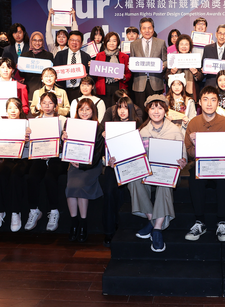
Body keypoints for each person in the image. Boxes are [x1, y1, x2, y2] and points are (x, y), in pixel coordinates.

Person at [128, 95, 187, 252]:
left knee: (164, 182)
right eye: (153, 107)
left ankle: (157, 229)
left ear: (165, 111)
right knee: (133, 180)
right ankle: (152, 220)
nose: (156, 111)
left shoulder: (174, 130)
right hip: (147, 173)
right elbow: (135, 157)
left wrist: (182, 161)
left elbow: (183, 156)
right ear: (147, 110)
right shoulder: (141, 132)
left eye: (160, 108)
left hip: (167, 173)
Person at [184, 86, 225, 242]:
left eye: (213, 100)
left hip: (220, 164)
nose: (209, 104)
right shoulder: (193, 123)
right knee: (194, 178)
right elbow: (188, 152)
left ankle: (221, 222)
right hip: (201, 166)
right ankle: (200, 222)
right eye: (205, 99)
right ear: (199, 102)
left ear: (218, 103)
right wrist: (196, 144)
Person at [24, 92, 69, 232]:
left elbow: (69, 143)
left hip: (57, 157)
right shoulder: (34, 121)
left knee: (50, 177)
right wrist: (27, 139)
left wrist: (65, 137)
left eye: (50, 103)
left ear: (55, 105)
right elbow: (29, 145)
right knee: (32, 177)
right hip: (39, 156)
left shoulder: (62, 120)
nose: (47, 106)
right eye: (44, 103)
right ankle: (34, 211)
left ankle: (54, 212)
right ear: (40, 105)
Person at [62, 98, 105, 243]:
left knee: (80, 186)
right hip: (74, 163)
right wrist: (64, 139)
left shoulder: (98, 128)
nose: (84, 112)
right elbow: (65, 149)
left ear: (93, 111)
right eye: (81, 109)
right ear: (77, 111)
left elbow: (98, 154)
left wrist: (82, 166)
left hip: (91, 165)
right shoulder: (71, 125)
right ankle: (75, 223)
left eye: (88, 109)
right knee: (71, 187)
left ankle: (84, 223)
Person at [101, 96, 138, 247]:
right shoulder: (109, 127)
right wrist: (106, 160)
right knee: (109, 193)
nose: (122, 111)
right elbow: (101, 153)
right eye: (119, 107)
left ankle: (123, 230)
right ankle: (109, 231)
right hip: (112, 166)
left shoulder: (138, 126)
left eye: (125, 107)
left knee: (123, 193)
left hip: (130, 166)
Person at [0, 98, 30, 232]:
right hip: (7, 158)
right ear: (6, 110)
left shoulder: (27, 124)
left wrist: (28, 140)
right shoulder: (3, 124)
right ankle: (1, 211)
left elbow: (33, 147)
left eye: (16, 107)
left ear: (20, 110)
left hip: (23, 158)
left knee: (14, 176)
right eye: (10, 108)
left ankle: (15, 213)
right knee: (1, 173)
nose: (13, 111)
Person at [129, 17, 167, 115]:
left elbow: (165, 60)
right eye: (144, 28)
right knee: (141, 112)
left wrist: (163, 65)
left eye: (149, 28)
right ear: (140, 30)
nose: (147, 31)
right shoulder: (134, 44)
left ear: (153, 29)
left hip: (156, 82)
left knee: (156, 111)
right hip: (139, 83)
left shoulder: (161, 43)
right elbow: (132, 61)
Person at [94, 32, 131, 109]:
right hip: (103, 89)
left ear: (117, 42)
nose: (111, 43)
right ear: (105, 42)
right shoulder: (99, 55)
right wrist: (92, 66)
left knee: (118, 110)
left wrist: (123, 77)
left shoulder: (124, 56)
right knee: (104, 110)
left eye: (114, 41)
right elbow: (95, 73)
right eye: (109, 41)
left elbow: (129, 74)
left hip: (119, 88)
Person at [53, 30, 92, 102]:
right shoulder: (60, 55)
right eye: (72, 40)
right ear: (68, 42)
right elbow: (54, 73)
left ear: (81, 43)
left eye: (77, 40)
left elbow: (90, 75)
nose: (74, 42)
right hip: (63, 91)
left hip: (80, 91)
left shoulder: (86, 57)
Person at [165, 34, 203, 102]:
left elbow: (201, 78)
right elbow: (165, 77)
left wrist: (196, 73)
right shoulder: (172, 58)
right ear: (178, 46)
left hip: (191, 92)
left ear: (190, 46)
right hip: (175, 93)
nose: (184, 46)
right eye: (181, 44)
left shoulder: (195, 59)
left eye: (186, 44)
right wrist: (171, 72)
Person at [19, 32, 54, 101]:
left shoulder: (48, 56)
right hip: (29, 88)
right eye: (34, 40)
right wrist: (19, 67)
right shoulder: (25, 56)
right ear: (31, 41)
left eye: (40, 40)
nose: (37, 43)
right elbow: (21, 75)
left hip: (44, 88)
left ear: (43, 42)